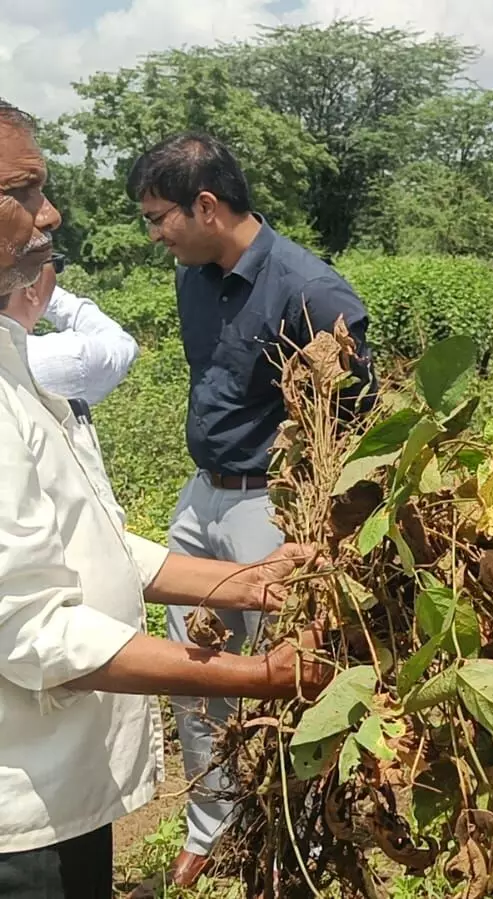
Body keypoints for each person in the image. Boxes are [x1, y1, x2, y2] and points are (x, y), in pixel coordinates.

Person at [0, 97, 326, 899]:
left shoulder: (10, 347)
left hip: (59, 787)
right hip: (20, 809)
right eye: (23, 188)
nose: (51, 211)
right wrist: (261, 674)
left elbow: (88, 537)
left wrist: (241, 582)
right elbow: (33, 628)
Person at [128, 131, 372, 890]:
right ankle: (213, 823)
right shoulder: (194, 274)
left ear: (207, 205)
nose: (155, 232)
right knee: (195, 670)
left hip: (275, 504)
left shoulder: (313, 291)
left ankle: (291, 835)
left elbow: (356, 425)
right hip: (202, 493)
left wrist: (322, 532)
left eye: (159, 215)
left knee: (280, 674)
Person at [1, 253, 137, 404]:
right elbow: (122, 344)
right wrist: (46, 295)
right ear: (30, 287)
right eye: (55, 264)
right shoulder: (61, 357)